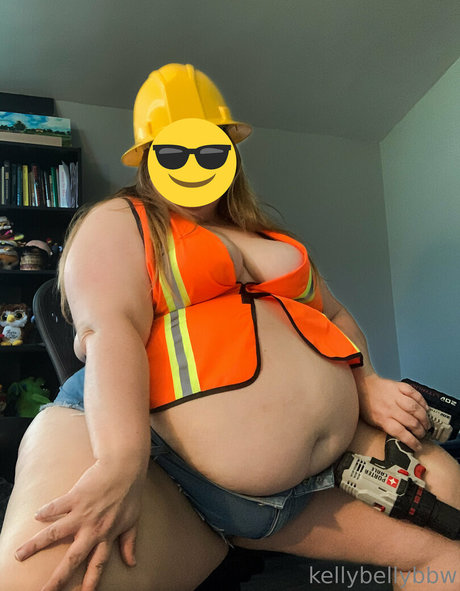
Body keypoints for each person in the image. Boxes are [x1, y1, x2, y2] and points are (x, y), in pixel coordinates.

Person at [0, 63, 459, 591]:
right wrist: (121, 463)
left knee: (450, 543)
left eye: (210, 152)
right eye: (174, 153)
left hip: (317, 478)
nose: (193, 165)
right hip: (155, 458)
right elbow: (111, 331)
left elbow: (333, 316)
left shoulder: (268, 237)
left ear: (230, 155)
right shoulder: (123, 219)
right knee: (47, 577)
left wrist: (368, 382)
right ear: (148, 159)